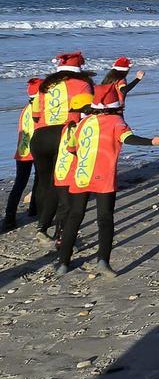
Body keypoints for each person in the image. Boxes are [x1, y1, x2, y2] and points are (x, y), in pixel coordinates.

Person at [56, 83, 158, 275]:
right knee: (105, 219)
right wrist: (153, 141)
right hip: (104, 177)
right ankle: (103, 261)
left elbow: (71, 148)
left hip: (81, 175)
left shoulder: (83, 123)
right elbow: (129, 139)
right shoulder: (116, 122)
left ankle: (63, 262)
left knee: (75, 216)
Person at [31, 53, 94, 242]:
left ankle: (41, 225)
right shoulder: (82, 84)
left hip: (40, 137)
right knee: (63, 184)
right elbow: (88, 113)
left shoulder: (45, 86)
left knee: (43, 182)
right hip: (64, 135)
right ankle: (61, 234)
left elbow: (35, 114)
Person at [4, 78, 41, 232]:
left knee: (20, 183)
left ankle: (10, 216)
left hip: (22, 150)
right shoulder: (39, 110)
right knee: (39, 179)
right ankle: (33, 209)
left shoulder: (25, 108)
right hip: (36, 149)